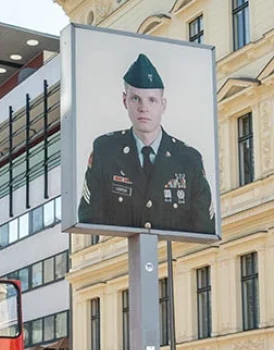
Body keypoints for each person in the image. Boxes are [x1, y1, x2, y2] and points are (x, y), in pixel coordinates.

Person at [77, 53, 215, 235]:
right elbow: (88, 217)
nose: (143, 108)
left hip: (173, 256)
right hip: (121, 255)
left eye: (152, 100)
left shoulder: (188, 158)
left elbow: (204, 227)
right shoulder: (105, 151)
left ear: (163, 105)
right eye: (136, 98)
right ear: (124, 100)